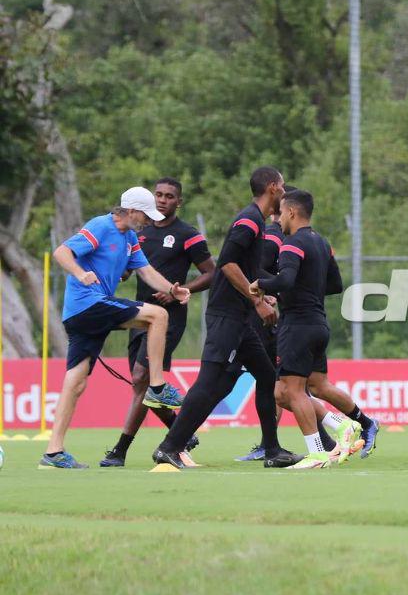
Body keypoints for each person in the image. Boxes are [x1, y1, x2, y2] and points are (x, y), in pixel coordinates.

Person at [151, 166, 300, 469]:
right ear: (272, 187)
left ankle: (271, 450)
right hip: (227, 315)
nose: (284, 193)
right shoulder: (248, 221)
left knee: (266, 375)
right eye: (282, 187)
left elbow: (249, 269)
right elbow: (228, 265)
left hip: (240, 317)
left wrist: (275, 289)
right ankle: (169, 446)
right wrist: (257, 301)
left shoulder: (256, 220)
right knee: (210, 383)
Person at [40, 188, 190, 469]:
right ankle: (157, 387)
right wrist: (79, 273)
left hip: (83, 314)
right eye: (146, 215)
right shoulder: (100, 225)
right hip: (89, 304)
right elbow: (62, 252)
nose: (149, 221)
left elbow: (146, 272)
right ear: (131, 211)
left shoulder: (130, 238)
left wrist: (172, 288)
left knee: (76, 382)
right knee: (157, 316)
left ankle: (53, 452)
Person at [100, 178, 215, 468]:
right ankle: (181, 433)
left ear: (179, 202)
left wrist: (181, 291)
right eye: (159, 195)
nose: (163, 200)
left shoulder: (188, 234)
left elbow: (212, 273)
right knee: (144, 385)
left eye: (169, 196)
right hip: (139, 316)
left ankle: (120, 450)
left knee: (142, 378)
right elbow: (130, 267)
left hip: (169, 320)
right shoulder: (140, 232)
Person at [249, 189, 366, 469]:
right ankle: (341, 426)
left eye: (280, 213)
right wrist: (307, 289)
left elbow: (285, 280)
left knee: (293, 391)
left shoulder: (291, 244)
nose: (278, 219)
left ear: (290, 212)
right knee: (281, 392)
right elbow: (335, 285)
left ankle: (317, 453)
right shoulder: (322, 242)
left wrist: (259, 283)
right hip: (317, 324)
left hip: (297, 325)